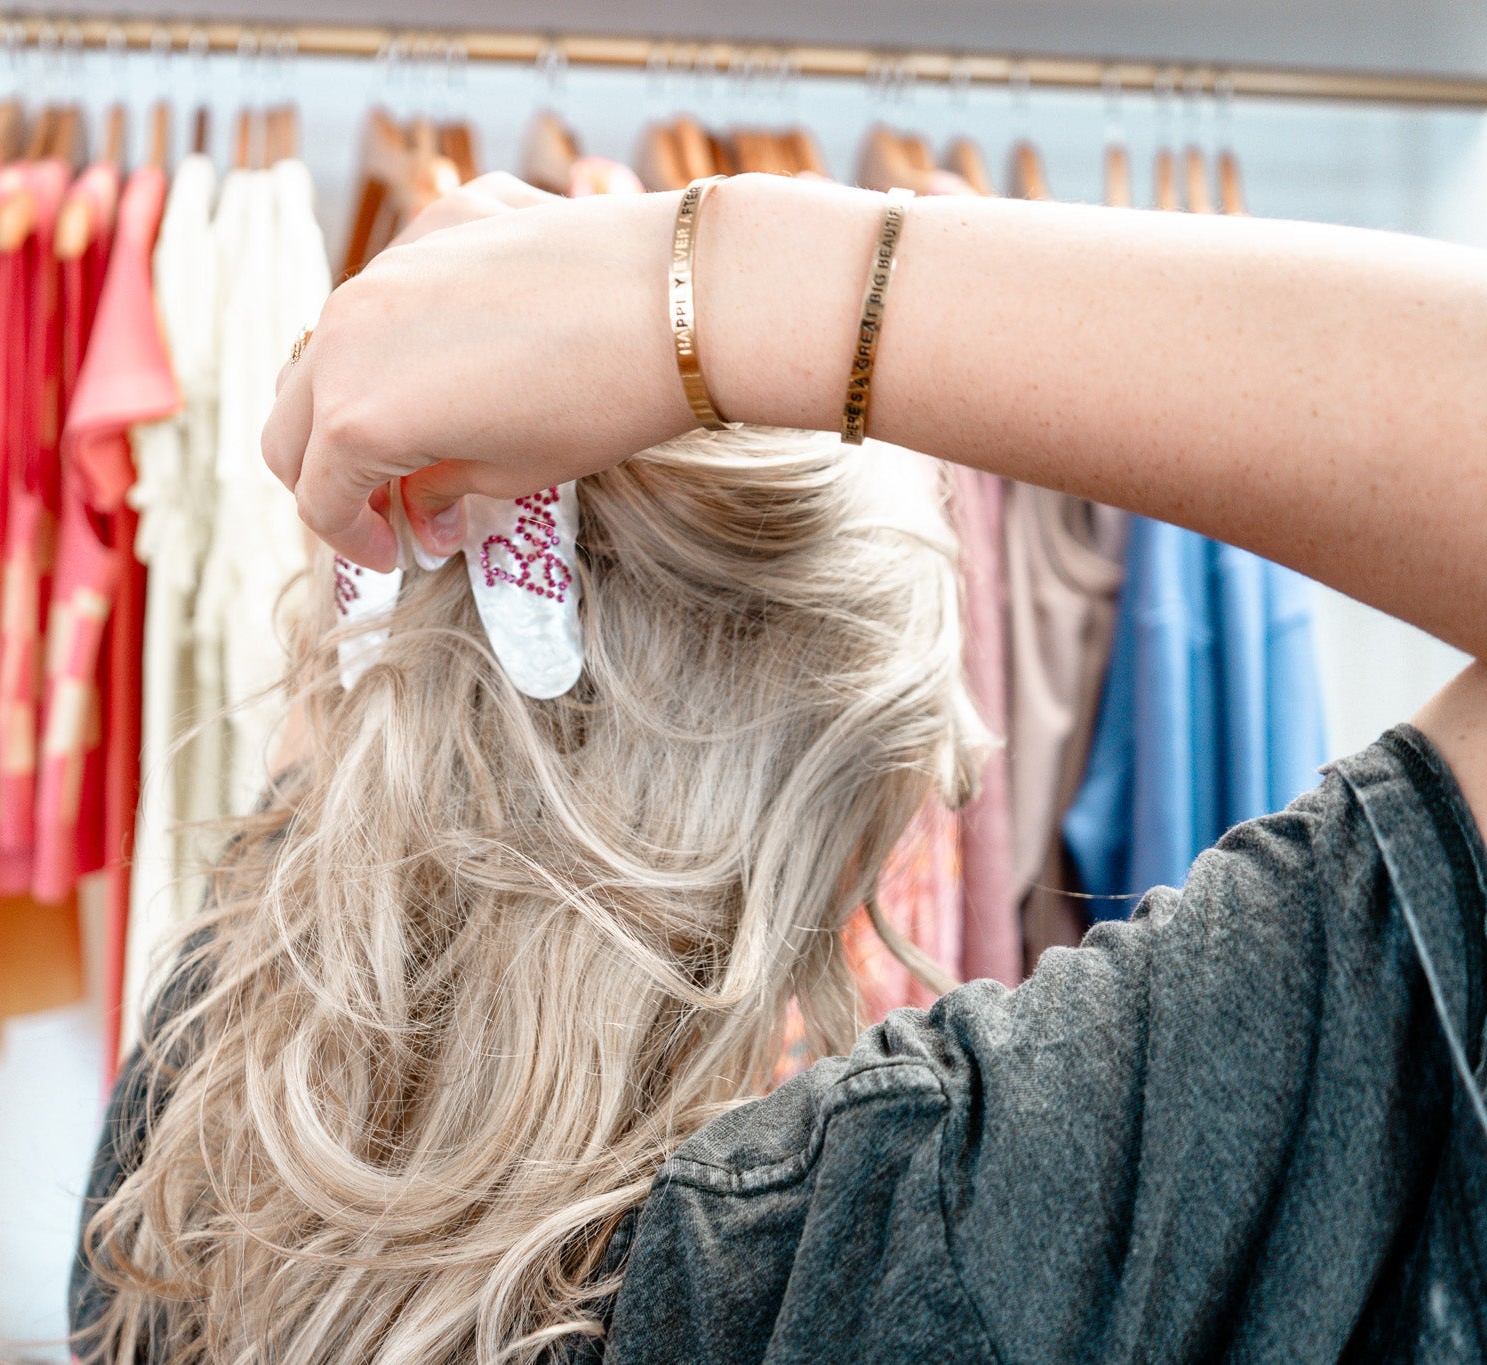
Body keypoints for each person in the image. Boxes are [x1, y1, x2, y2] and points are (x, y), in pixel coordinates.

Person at [77, 172, 1487, 1362]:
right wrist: (706, 279)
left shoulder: (177, 1179)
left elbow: (354, 740)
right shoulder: (904, 1247)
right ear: (867, 792)